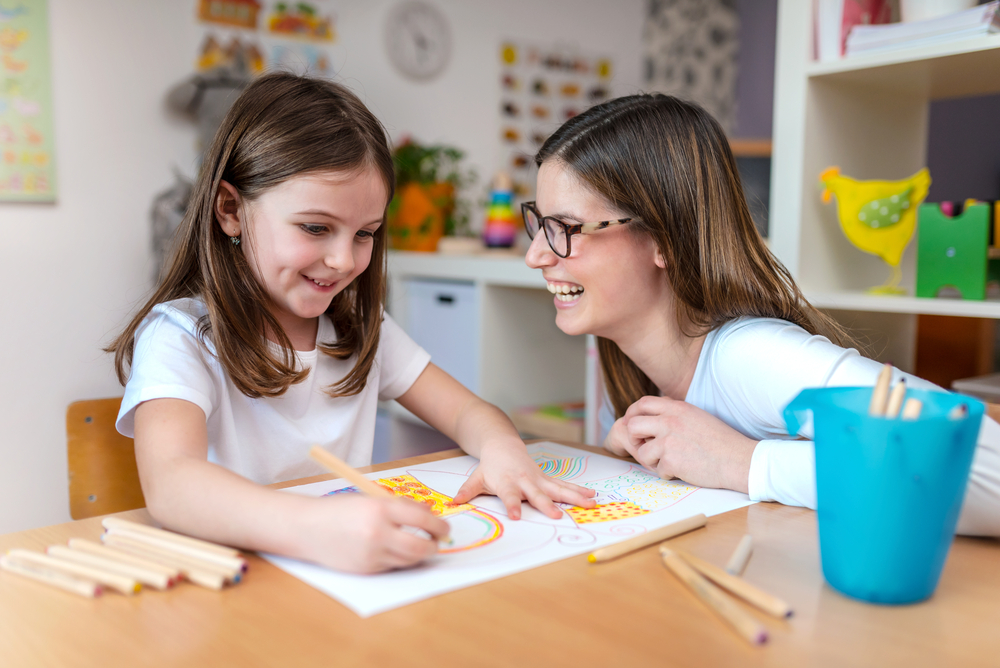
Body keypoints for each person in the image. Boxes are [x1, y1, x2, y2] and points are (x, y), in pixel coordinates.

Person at [108, 73, 595, 574]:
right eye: (315, 228)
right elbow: (172, 485)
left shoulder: (363, 330)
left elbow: (470, 412)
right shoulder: (179, 338)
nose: (343, 260)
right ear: (231, 210)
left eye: (365, 234)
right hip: (240, 588)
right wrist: (311, 527)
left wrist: (503, 450)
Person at [523, 93, 1000, 536]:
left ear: (664, 239)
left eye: (565, 228)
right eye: (539, 224)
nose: (536, 255)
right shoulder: (623, 362)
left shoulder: (754, 356)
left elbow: (989, 472)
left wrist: (745, 463)